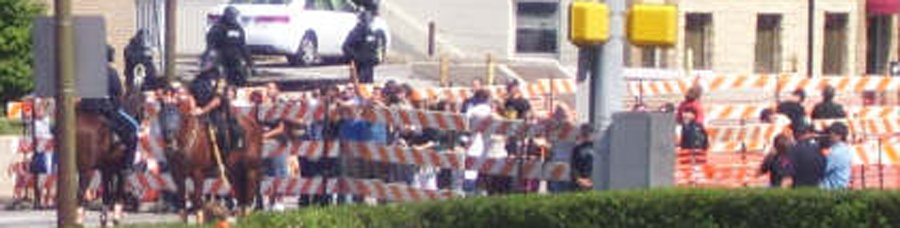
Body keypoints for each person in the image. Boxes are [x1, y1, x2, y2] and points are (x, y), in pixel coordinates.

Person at [79, 45, 139, 171]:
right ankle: (129, 165)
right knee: (134, 128)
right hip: (105, 109)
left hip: (86, 108)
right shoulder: (111, 72)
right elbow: (118, 93)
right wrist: (116, 106)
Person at [188, 51, 243, 159]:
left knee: (221, 132)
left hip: (216, 112)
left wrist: (203, 111)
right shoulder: (197, 80)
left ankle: (225, 156)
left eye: (206, 62)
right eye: (203, 61)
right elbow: (191, 94)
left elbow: (217, 100)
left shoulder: (220, 80)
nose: (203, 64)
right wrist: (193, 108)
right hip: (198, 111)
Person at [206, 6, 254, 86]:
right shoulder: (217, 28)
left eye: (235, 16)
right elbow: (211, 46)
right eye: (233, 15)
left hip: (236, 62)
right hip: (222, 62)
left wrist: (251, 64)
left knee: (240, 82)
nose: (234, 18)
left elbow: (243, 47)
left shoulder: (238, 28)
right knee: (223, 84)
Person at [343, 11, 380, 84]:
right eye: (368, 19)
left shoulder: (371, 32)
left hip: (369, 67)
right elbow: (346, 46)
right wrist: (357, 58)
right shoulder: (356, 32)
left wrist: (375, 57)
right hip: (359, 68)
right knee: (359, 86)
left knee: (368, 88)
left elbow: (373, 47)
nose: (370, 21)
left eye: (371, 19)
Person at [787, 124, 826, 188]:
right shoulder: (817, 148)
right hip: (815, 186)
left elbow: (789, 172)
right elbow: (823, 168)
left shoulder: (792, 150)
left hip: (798, 186)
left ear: (795, 135)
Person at [821, 123, 853, 189]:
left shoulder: (836, 152)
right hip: (840, 186)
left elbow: (821, 169)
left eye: (831, 133)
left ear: (839, 136)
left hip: (832, 189)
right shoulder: (846, 148)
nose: (828, 135)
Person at [571, 124, 595, 191]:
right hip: (580, 183)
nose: (585, 134)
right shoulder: (577, 148)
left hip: (594, 182)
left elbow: (601, 167)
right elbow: (574, 167)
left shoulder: (598, 148)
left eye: (587, 132)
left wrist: (591, 180)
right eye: (583, 133)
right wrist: (579, 179)